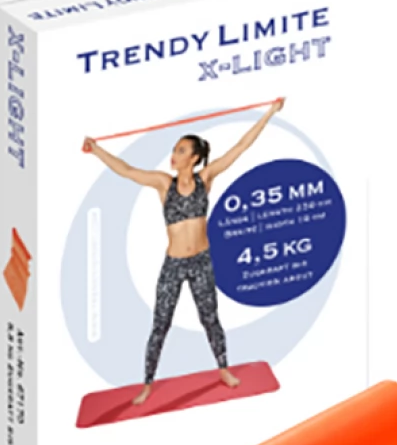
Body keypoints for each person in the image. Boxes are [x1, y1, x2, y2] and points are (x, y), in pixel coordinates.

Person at [83, 98, 285, 405]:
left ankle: (224, 370)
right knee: (160, 324)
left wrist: (269, 112)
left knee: (210, 318)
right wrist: (96, 149)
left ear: (194, 157)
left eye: (180, 150)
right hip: (174, 264)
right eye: (174, 150)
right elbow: (126, 170)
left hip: (202, 262)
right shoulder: (164, 184)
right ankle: (147, 384)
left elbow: (242, 146)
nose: (173, 155)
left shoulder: (206, 178)